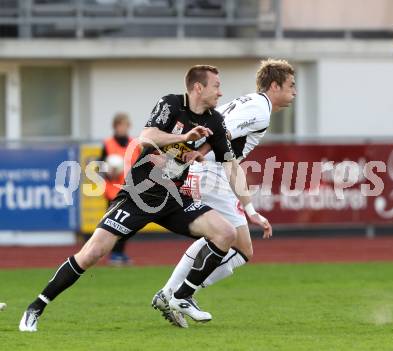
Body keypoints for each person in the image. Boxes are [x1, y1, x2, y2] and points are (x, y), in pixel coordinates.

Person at [19, 64, 270, 332]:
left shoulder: (215, 122)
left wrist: (250, 208)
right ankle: (35, 307)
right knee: (92, 253)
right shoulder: (171, 104)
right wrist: (185, 137)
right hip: (140, 195)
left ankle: (181, 296)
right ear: (198, 87)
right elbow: (146, 137)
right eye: (216, 86)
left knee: (225, 233)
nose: (221, 93)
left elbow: (232, 166)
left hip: (174, 198)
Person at [152, 59, 296, 328]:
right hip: (212, 172)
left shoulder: (252, 102)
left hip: (211, 170)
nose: (295, 92)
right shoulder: (260, 109)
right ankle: (180, 293)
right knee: (241, 248)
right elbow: (223, 132)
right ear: (274, 86)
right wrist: (200, 155)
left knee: (224, 239)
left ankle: (171, 293)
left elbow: (221, 129)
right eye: (291, 85)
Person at [100, 113, 141, 266]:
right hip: (112, 192)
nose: (124, 128)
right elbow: (99, 167)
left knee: (128, 225)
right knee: (112, 225)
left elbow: (138, 166)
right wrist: (108, 172)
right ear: (116, 126)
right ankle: (114, 254)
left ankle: (119, 253)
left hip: (129, 191)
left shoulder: (134, 144)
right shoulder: (108, 144)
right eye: (121, 125)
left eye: (126, 125)